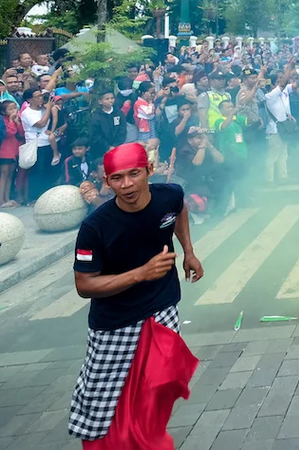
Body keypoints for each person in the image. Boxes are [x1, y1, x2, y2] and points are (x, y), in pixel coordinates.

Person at [68, 143, 203, 448]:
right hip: (115, 323)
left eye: (134, 174)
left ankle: (147, 439)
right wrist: (141, 273)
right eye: (117, 178)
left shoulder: (169, 195)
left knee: (159, 386)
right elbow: (84, 285)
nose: (127, 185)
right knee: (102, 407)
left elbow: (179, 210)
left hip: (162, 308)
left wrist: (189, 252)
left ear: (149, 171)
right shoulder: (95, 227)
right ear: (106, 181)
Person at [21, 88, 57, 201]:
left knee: (48, 171)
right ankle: (34, 197)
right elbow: (41, 124)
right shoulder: (27, 113)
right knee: (37, 172)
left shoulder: (44, 108)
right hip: (36, 145)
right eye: (37, 97)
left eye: (41, 95)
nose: (40, 98)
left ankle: (46, 196)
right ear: (29, 100)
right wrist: (48, 109)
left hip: (48, 143)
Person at [0, 100, 23, 207]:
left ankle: (7, 198)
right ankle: (1, 201)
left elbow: (21, 133)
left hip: (14, 150)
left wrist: (17, 123)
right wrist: (10, 120)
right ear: (3, 112)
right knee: (4, 175)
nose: (14, 111)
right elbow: (9, 133)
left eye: (15, 108)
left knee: (10, 174)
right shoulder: (3, 120)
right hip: (4, 151)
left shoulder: (16, 119)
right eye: (10, 109)